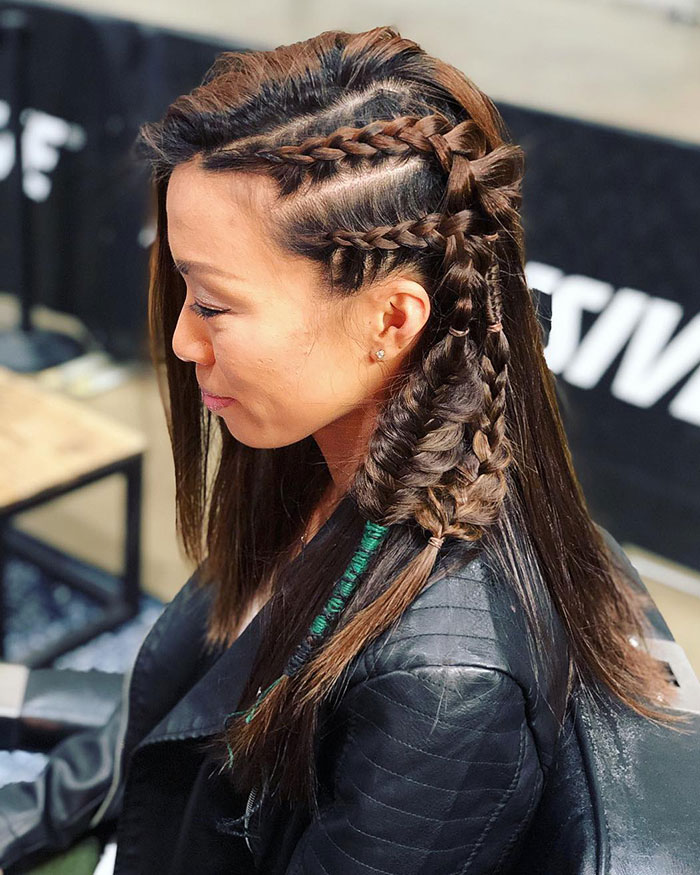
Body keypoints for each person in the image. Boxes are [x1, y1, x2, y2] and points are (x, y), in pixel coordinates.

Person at [0, 24, 686, 875]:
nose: (180, 340)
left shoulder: (442, 689)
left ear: (392, 320)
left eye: (213, 305)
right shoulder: (312, 440)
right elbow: (175, 715)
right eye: (182, 286)